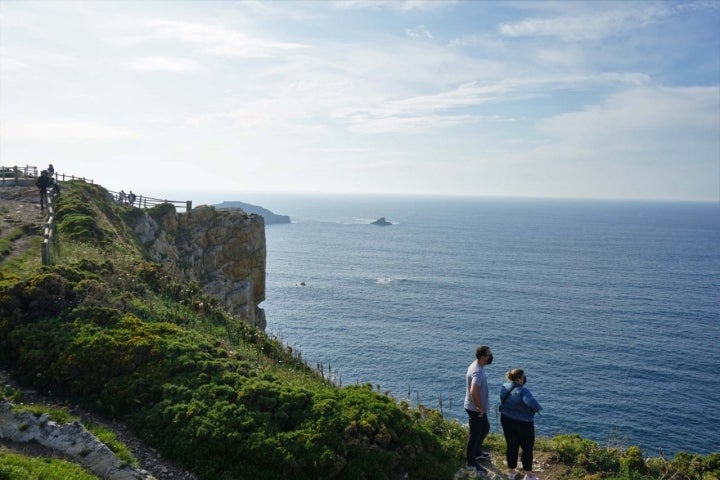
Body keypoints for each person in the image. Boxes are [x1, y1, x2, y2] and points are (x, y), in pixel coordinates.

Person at [499, 369, 543, 480]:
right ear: (518, 379)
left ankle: (512, 472)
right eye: (524, 377)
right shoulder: (523, 391)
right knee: (527, 448)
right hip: (523, 424)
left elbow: (502, 399)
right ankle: (528, 474)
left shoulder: (505, 387)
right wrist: (538, 408)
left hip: (506, 420)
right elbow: (531, 403)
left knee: (511, 446)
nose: (525, 379)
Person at [464, 345, 494, 474]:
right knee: (474, 435)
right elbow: (474, 390)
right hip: (475, 409)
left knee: (485, 428)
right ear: (483, 357)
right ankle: (470, 463)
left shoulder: (477, 365)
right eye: (488, 355)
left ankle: (477, 452)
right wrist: (479, 407)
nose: (490, 356)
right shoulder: (478, 371)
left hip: (477, 408)